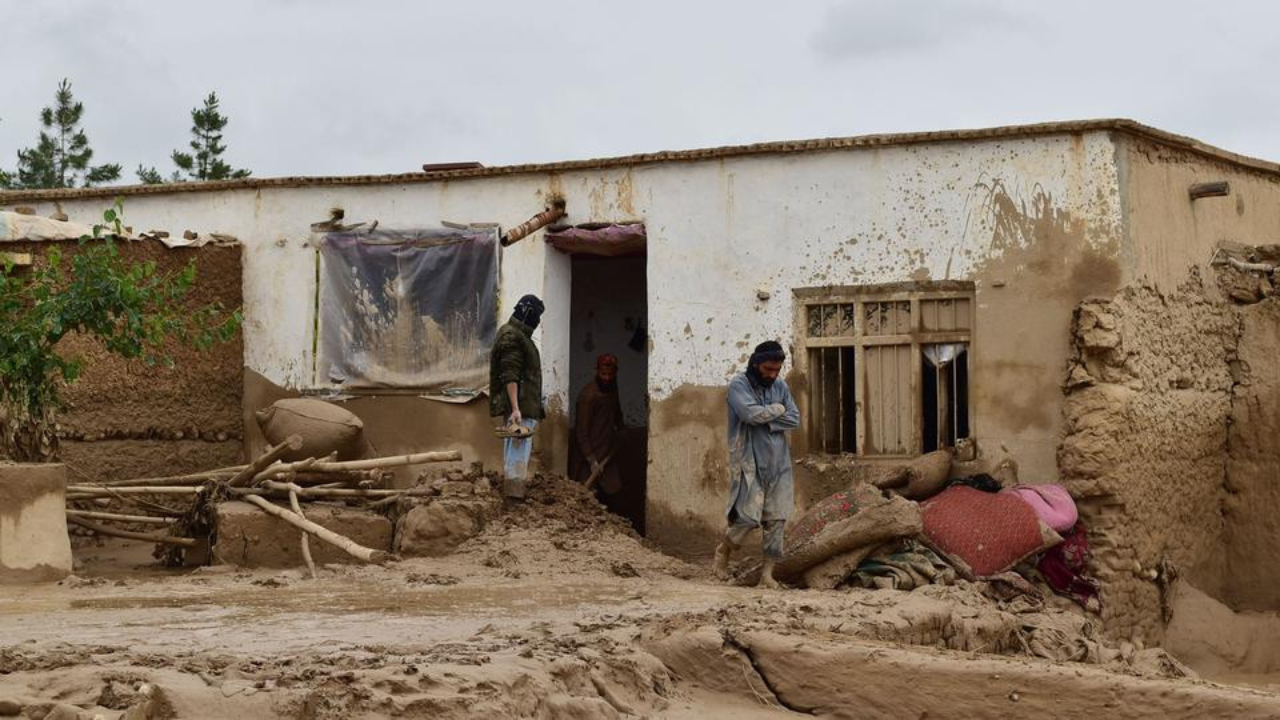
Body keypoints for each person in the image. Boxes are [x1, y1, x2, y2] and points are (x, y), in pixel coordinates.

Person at [714, 340, 800, 589]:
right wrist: (777, 408)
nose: (773, 375)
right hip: (749, 461)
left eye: (777, 370)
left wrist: (768, 415)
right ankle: (723, 551)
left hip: (779, 462)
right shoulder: (739, 385)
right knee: (747, 518)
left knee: (777, 520)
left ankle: (767, 576)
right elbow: (750, 415)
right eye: (768, 370)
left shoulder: (780, 385)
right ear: (755, 364)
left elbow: (794, 418)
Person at [490, 294, 545, 500]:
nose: (538, 322)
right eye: (537, 316)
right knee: (517, 451)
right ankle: (514, 497)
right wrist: (515, 408)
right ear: (529, 313)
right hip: (519, 407)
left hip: (523, 405)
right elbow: (509, 373)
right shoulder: (511, 336)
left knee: (518, 450)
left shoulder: (518, 335)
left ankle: (514, 494)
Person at [574, 353, 623, 496]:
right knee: (587, 495)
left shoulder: (612, 388)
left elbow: (617, 411)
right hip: (588, 453)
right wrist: (591, 459)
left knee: (613, 490)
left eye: (610, 374)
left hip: (606, 451)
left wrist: (621, 429)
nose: (607, 378)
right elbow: (581, 431)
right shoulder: (588, 396)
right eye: (603, 374)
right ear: (596, 371)